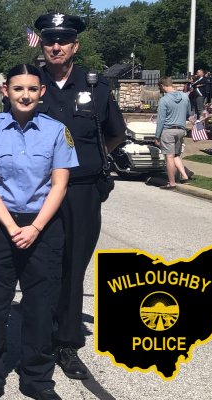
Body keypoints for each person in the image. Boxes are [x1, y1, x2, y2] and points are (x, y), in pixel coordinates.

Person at [0, 63, 77, 400]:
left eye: (32, 89)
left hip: (43, 226)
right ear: (6, 92)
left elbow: (59, 185)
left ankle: (37, 378)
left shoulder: (57, 131)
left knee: (40, 306)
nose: (25, 95)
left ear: (42, 92)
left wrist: (34, 227)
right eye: (18, 88)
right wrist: (10, 225)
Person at [34, 13, 126, 381]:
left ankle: (66, 342)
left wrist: (88, 159)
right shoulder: (29, 81)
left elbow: (114, 134)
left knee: (73, 267)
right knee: (39, 265)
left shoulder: (97, 87)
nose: (56, 46)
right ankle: (36, 333)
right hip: (37, 191)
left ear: (75, 46)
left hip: (81, 191)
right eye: (50, 40)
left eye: (64, 41)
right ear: (42, 44)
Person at [155, 76, 191, 189]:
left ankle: (171, 183)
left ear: (162, 86)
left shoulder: (164, 100)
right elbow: (189, 113)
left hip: (168, 130)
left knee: (169, 157)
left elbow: (161, 119)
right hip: (181, 129)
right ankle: (185, 177)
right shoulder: (185, 97)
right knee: (176, 154)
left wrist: (157, 136)